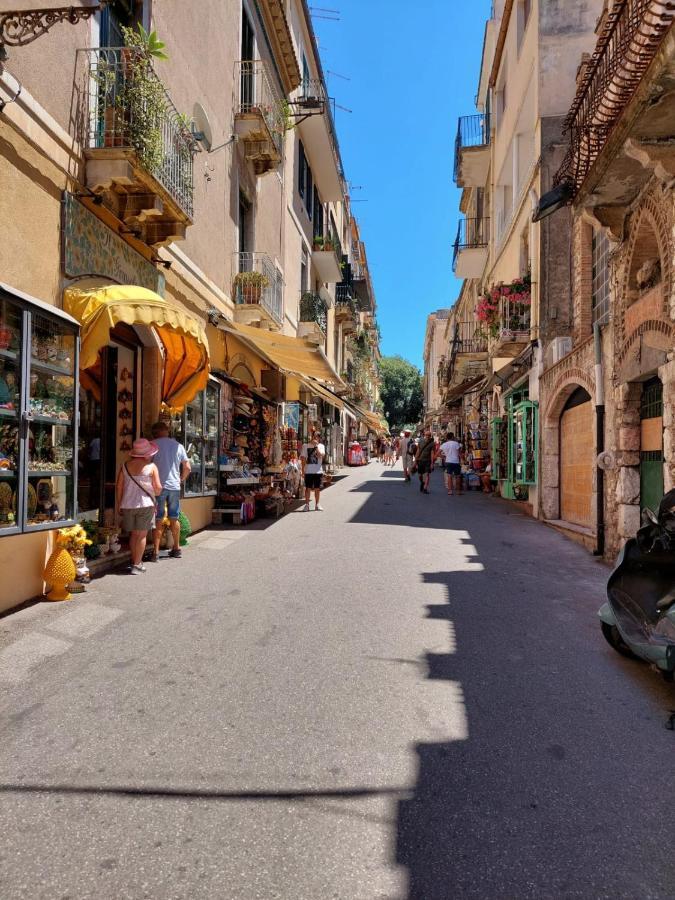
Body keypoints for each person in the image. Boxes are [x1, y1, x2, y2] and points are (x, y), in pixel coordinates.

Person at [115, 438, 162, 575]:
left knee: (134, 535)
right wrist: (154, 490)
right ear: (147, 453)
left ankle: (134, 560)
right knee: (141, 535)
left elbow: (119, 487)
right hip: (146, 504)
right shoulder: (152, 467)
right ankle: (137, 564)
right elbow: (158, 488)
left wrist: (119, 504)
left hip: (128, 504)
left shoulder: (125, 466)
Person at [150, 421, 191, 561]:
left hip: (158, 487)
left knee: (158, 519)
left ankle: (155, 552)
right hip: (174, 486)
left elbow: (147, 466)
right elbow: (187, 467)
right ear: (167, 431)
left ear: (155, 432)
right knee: (174, 518)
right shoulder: (178, 446)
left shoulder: (152, 445)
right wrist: (180, 479)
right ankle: (176, 548)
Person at [301, 428, 325, 511]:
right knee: (307, 488)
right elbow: (303, 458)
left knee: (317, 489)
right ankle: (306, 505)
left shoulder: (321, 446)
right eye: (313, 437)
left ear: (319, 438)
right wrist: (303, 470)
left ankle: (317, 504)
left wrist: (316, 446)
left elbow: (321, 456)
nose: (314, 438)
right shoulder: (305, 446)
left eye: (316, 437)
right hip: (308, 471)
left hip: (318, 471)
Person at [440, 431, 464, 496]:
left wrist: (444, 457)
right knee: (458, 476)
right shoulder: (456, 443)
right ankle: (458, 491)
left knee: (449, 476)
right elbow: (459, 453)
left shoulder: (444, 444)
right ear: (452, 437)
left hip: (448, 462)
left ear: (447, 437)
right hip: (456, 461)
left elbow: (437, 453)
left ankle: (450, 491)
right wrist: (463, 460)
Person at [414, 427, 436, 493]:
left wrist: (432, 463)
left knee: (427, 474)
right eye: (426, 435)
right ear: (424, 435)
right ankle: (422, 483)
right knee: (420, 475)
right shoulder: (420, 442)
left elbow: (432, 453)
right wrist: (415, 460)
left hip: (428, 461)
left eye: (429, 435)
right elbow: (418, 451)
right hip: (420, 460)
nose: (428, 436)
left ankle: (425, 488)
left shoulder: (432, 443)